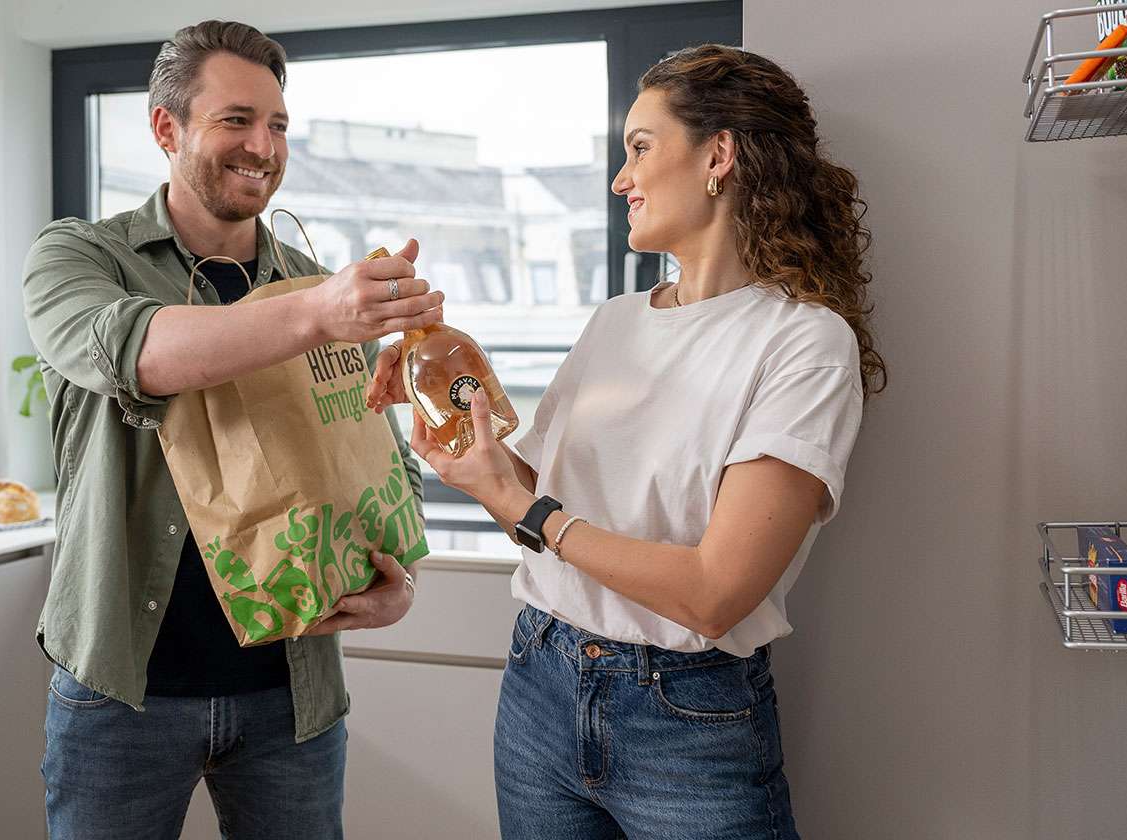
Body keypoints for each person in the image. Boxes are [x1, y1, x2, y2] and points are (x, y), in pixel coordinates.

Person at [368, 45, 885, 839]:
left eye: (640, 147)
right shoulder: (614, 321)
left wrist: (523, 508)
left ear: (718, 154)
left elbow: (714, 594)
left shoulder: (803, 343)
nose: (621, 180)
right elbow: (534, 500)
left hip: (686, 718)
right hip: (540, 676)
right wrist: (443, 391)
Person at [22, 20, 443, 839]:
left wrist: (400, 578)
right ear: (166, 127)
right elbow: (140, 353)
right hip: (121, 693)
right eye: (236, 120)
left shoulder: (318, 287)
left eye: (278, 124)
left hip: (292, 695)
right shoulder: (79, 257)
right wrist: (318, 314)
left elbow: (380, 458)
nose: (264, 147)